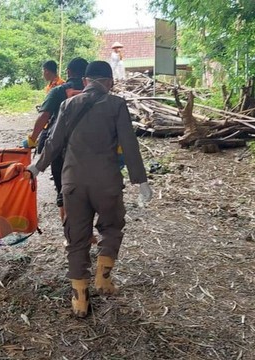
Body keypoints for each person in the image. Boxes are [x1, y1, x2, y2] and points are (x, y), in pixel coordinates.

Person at [25, 60, 153, 318]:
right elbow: (129, 145)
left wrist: (36, 168)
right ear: (109, 82)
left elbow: (54, 141)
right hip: (106, 182)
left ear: (85, 81)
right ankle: (103, 278)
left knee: (76, 237)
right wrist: (141, 181)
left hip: (73, 182)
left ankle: (80, 300)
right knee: (112, 226)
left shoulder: (67, 103)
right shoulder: (116, 105)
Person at [23, 57, 88, 222]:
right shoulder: (97, 93)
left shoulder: (58, 91)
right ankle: (86, 231)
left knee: (63, 190)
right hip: (89, 149)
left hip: (60, 148)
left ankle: (70, 233)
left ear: (68, 72)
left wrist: (32, 140)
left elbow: (44, 117)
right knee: (87, 190)